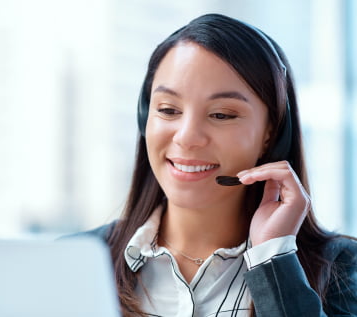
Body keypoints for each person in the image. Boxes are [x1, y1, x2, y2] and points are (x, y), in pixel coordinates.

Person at [72, 14, 357, 316]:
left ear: (270, 133)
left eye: (221, 115)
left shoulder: (340, 270)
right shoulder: (73, 261)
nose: (188, 137)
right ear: (145, 118)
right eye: (168, 110)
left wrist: (273, 262)